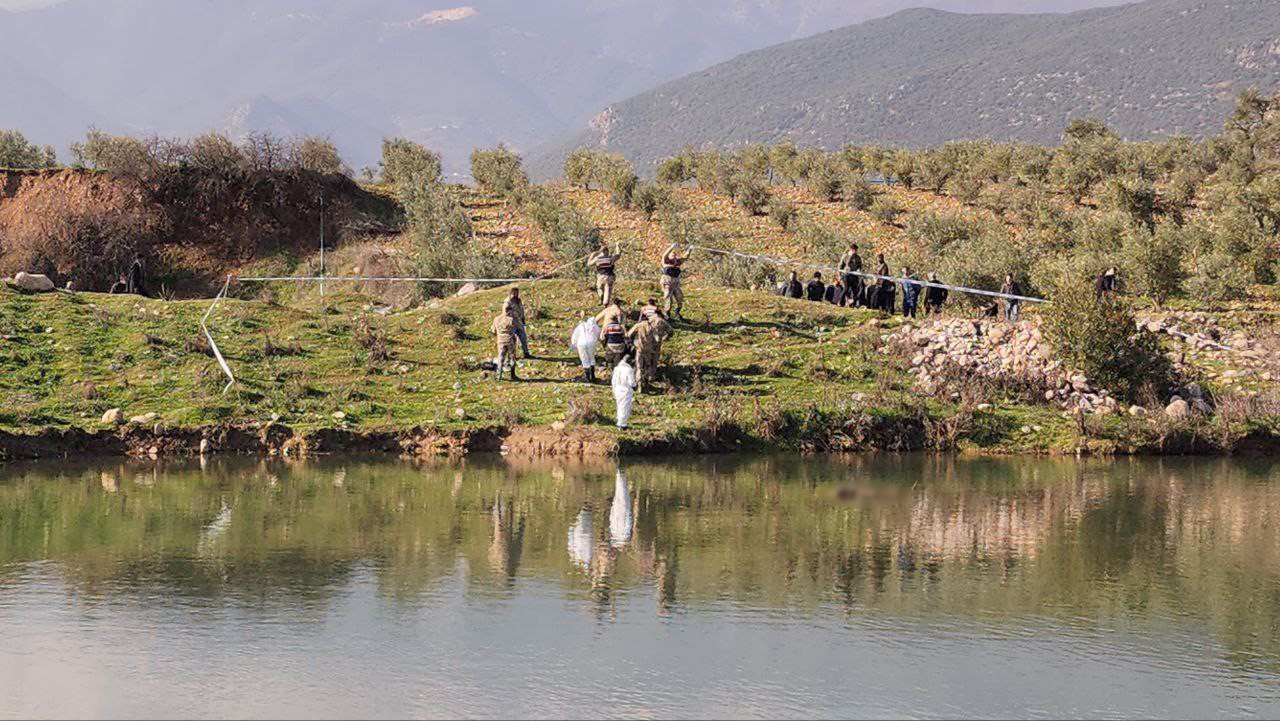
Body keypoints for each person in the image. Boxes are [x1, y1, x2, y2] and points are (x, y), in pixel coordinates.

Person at [627, 314, 660, 393]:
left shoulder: (638, 325)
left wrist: (633, 342)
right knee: (647, 366)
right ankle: (646, 383)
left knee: (639, 367)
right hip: (649, 349)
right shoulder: (652, 327)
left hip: (640, 349)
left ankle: (639, 385)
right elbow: (657, 339)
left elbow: (628, 334)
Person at [660, 243, 692, 319]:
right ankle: (667, 314)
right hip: (667, 281)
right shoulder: (666, 261)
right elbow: (664, 255)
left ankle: (677, 312)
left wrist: (690, 249)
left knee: (680, 297)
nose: (674, 257)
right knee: (668, 298)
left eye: (675, 255)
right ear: (669, 256)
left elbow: (686, 257)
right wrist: (671, 247)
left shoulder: (678, 262)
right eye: (672, 255)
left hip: (675, 283)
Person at [596, 300, 628, 367]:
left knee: (608, 348)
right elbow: (623, 325)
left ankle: (609, 361)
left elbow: (596, 319)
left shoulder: (607, 310)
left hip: (605, 332)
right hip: (618, 333)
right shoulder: (620, 312)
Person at [491, 306, 519, 381]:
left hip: (500, 341)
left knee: (500, 358)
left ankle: (498, 376)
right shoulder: (511, 320)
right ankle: (513, 375)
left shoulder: (496, 319)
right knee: (512, 357)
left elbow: (493, 331)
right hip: (510, 341)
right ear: (509, 311)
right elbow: (515, 331)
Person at [570, 313, 600, 383]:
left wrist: (573, 344)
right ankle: (592, 377)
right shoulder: (594, 326)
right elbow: (599, 334)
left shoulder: (580, 326)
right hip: (592, 342)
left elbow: (575, 336)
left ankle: (587, 378)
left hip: (581, 343)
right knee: (592, 358)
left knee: (584, 359)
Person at [503, 287, 531, 358]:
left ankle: (526, 353)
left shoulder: (518, 300)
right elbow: (505, 313)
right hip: (511, 323)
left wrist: (523, 319)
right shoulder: (507, 301)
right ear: (510, 293)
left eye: (517, 293)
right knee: (512, 340)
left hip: (519, 322)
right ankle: (512, 356)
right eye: (514, 293)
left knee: (523, 338)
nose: (516, 295)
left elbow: (521, 310)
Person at [612, 357, 637, 429]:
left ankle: (620, 422)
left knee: (619, 406)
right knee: (625, 407)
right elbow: (631, 382)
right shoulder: (629, 370)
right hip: (625, 390)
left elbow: (613, 381)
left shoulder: (617, 369)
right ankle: (622, 424)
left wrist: (614, 390)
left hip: (617, 389)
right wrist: (635, 385)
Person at [838, 243, 864, 307]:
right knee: (846, 288)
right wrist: (839, 275)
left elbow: (860, 266)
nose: (855, 251)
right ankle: (840, 301)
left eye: (855, 250)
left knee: (855, 290)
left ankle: (853, 304)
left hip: (854, 275)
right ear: (851, 249)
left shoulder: (858, 257)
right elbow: (840, 266)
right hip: (846, 275)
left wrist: (860, 272)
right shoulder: (846, 256)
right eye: (853, 250)